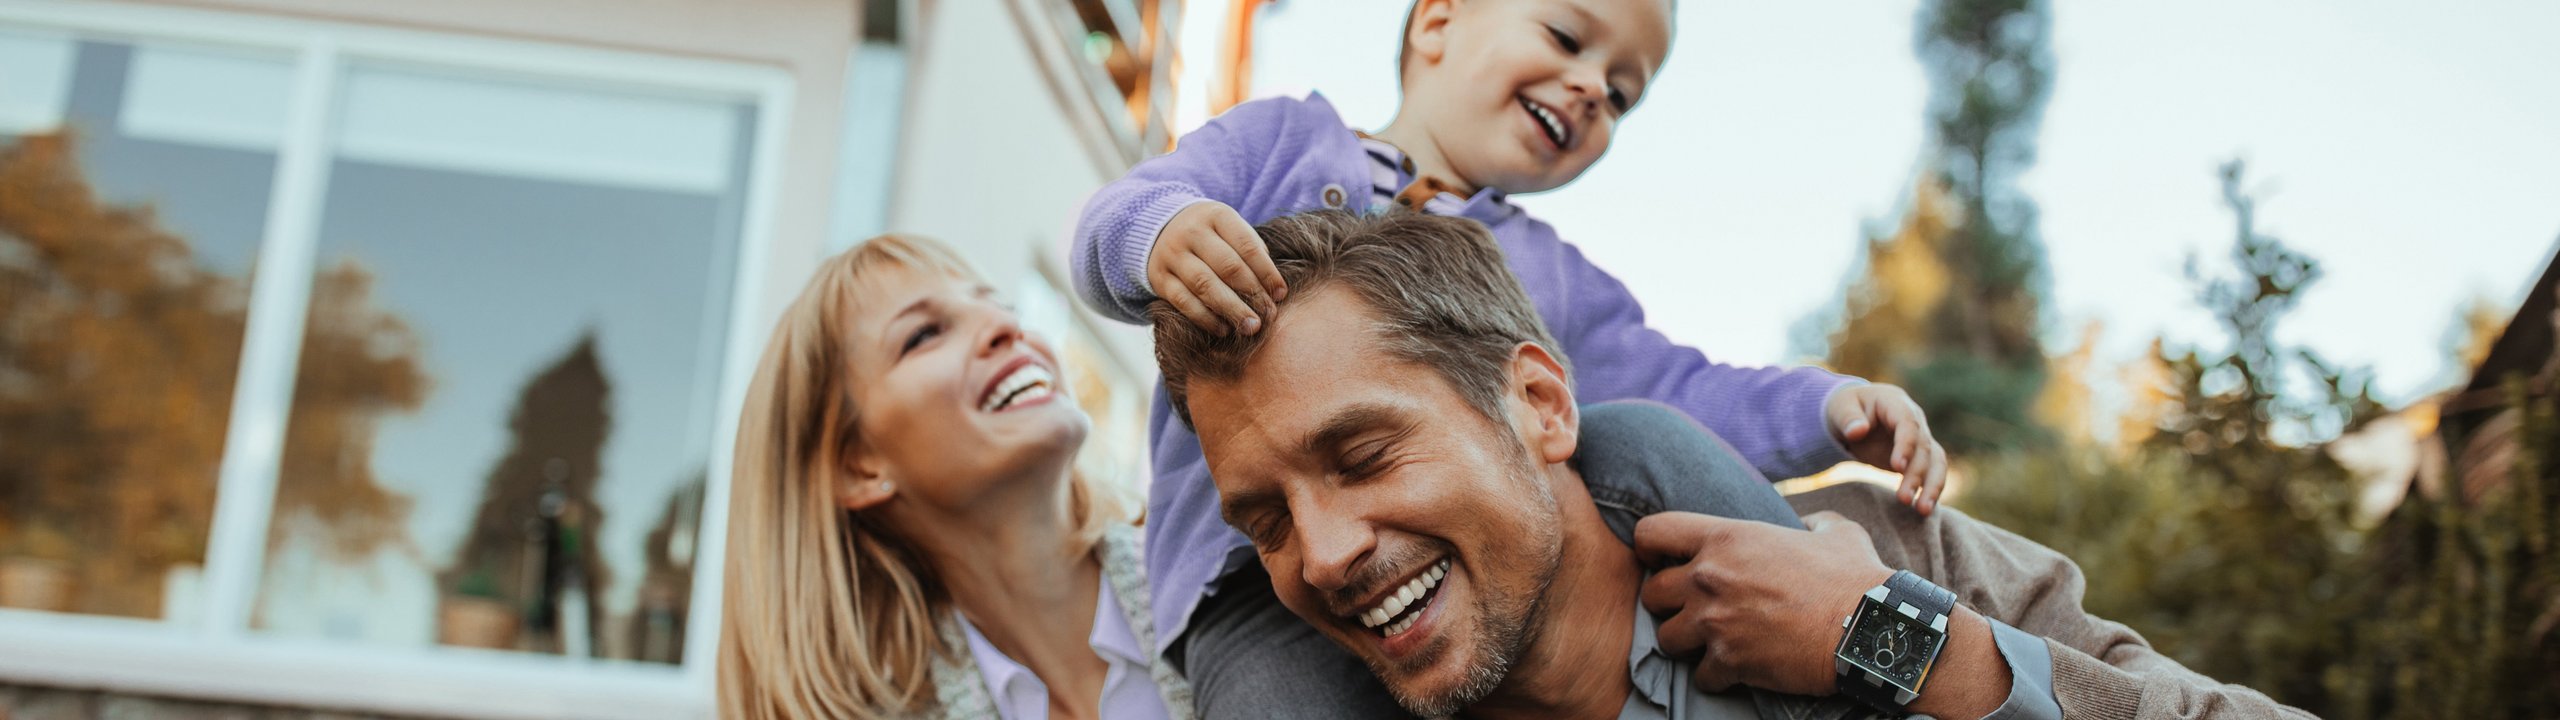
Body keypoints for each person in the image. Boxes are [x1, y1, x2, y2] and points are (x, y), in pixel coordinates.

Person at [1070, 1, 1948, 712]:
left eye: (1622, 93)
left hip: (1455, 575)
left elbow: (1682, 387)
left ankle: (1830, 646)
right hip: (1246, 593)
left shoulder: (1550, 275)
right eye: (1566, 37)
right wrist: (1161, 234)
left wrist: (1824, 408)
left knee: (1642, 436)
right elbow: (1120, 212)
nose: (1593, 89)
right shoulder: (1280, 143)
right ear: (1438, 21)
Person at [1152, 209, 2313, 719]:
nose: (1323, 554)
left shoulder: (1890, 553)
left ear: (1539, 404)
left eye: (1361, 456)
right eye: (1265, 522)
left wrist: (1897, 645)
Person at [716, 235, 1193, 720]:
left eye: (1002, 306)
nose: (1007, 326)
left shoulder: (1214, 577)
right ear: (858, 466)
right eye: (924, 334)